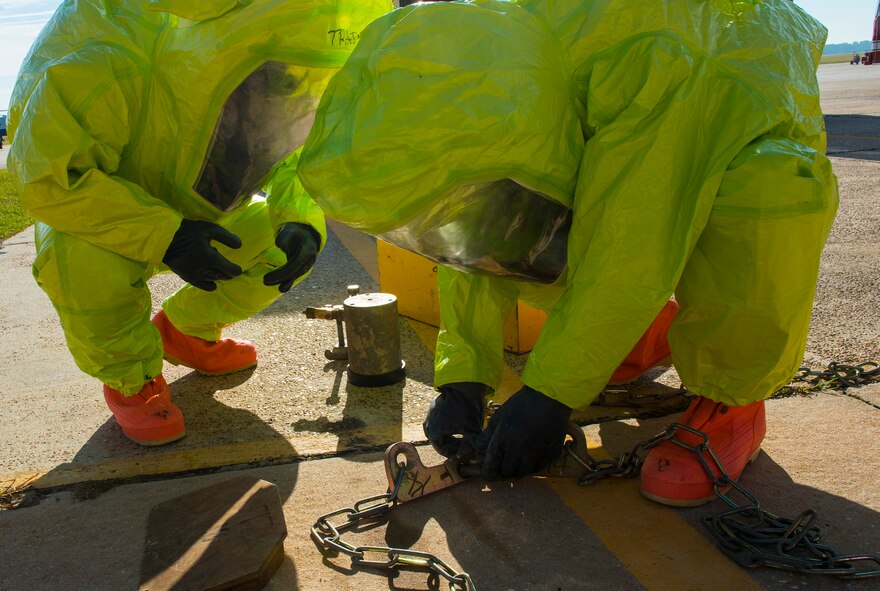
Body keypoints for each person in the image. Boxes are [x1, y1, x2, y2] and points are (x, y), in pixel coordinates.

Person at [298, 0, 838, 506]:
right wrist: (464, 373)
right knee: (518, 231)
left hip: (734, 87)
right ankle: (642, 336)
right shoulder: (484, 93)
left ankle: (732, 402)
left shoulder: (653, 63)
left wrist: (552, 394)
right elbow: (471, 244)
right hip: (632, 95)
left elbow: (633, 247)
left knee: (759, 197)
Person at [6, 0, 389, 446]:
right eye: (277, 73)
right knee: (81, 262)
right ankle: (132, 382)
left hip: (198, 214)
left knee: (280, 246)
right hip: (102, 214)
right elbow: (48, 179)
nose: (284, 89)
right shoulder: (110, 58)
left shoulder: (278, 80)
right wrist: (165, 235)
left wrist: (300, 220)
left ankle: (187, 330)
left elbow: (292, 157)